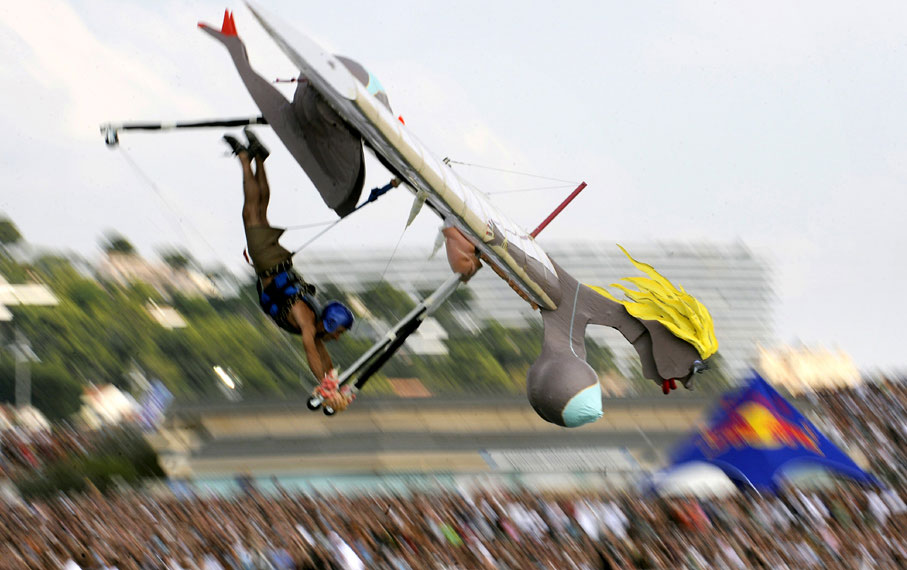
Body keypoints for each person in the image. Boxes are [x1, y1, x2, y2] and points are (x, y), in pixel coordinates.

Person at [224, 128, 355, 409]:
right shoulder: (307, 320)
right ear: (331, 324)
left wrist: (334, 383)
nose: (337, 337)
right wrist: (326, 388)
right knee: (251, 212)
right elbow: (311, 353)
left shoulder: (316, 326)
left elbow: (323, 357)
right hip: (268, 261)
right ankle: (246, 158)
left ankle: (259, 158)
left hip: (275, 261)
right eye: (339, 332)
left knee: (259, 212)